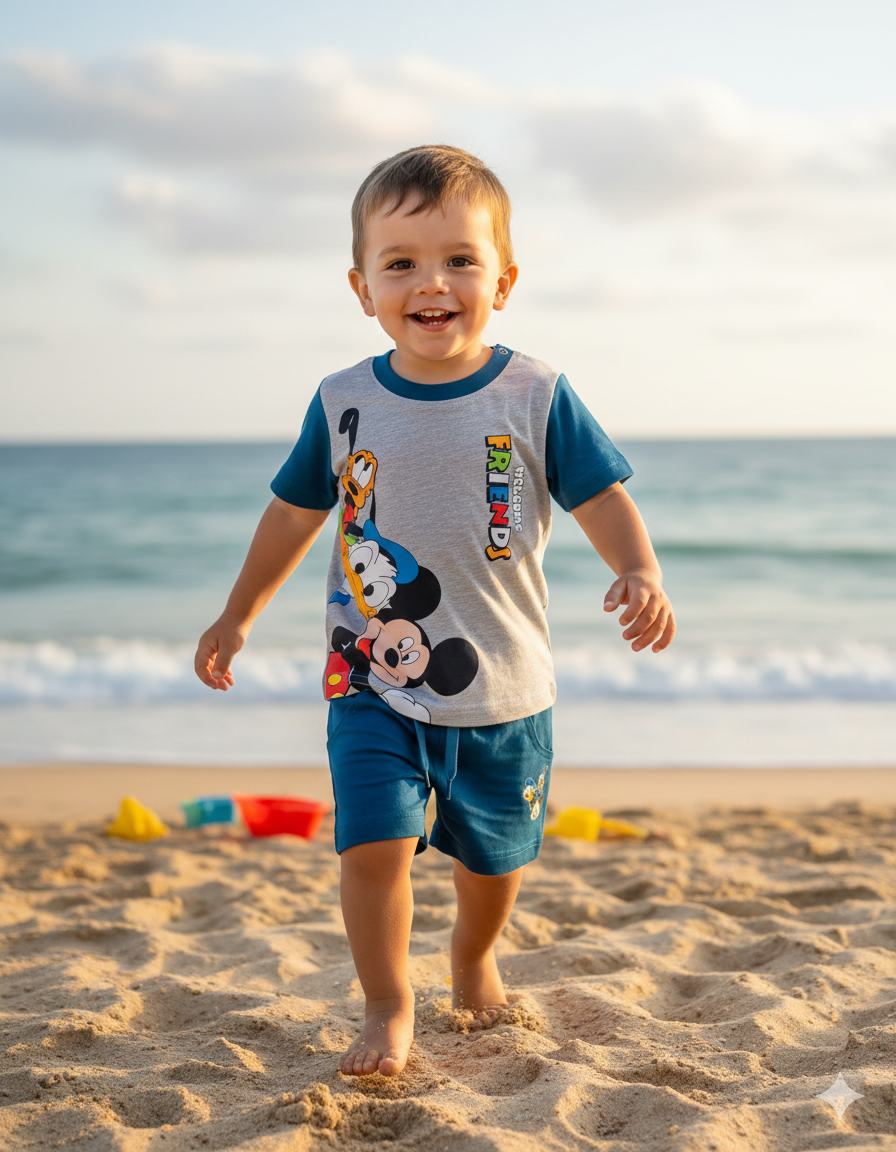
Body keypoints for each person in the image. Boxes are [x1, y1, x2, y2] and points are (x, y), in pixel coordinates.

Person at [194, 145, 675, 1078]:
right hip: (371, 680)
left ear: (505, 278)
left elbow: (601, 496)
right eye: (402, 262)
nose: (433, 283)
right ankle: (387, 1003)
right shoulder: (343, 401)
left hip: (504, 685)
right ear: (360, 284)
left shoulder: (533, 392)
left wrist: (640, 569)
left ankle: (474, 954)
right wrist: (237, 613)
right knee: (373, 845)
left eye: (461, 259)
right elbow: (296, 514)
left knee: (494, 862)